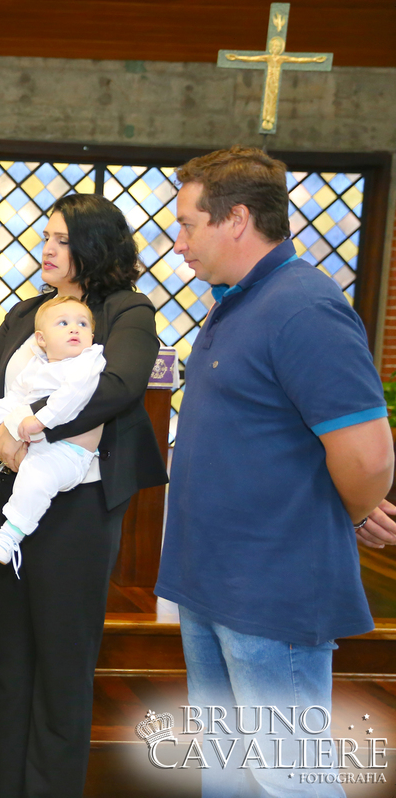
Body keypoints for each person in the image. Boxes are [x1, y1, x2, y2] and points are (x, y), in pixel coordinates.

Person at [155, 146, 394, 797]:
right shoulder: (237, 299)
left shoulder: (303, 307)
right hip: (211, 579)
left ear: (235, 219)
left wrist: (337, 511)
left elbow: (369, 455)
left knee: (292, 779)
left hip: (268, 588)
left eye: (187, 224)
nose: (178, 243)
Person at [0, 192, 168, 796]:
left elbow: (120, 386)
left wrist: (35, 429)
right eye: (44, 237)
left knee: (61, 663)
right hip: (7, 497)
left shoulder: (126, 310)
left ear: (95, 244)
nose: (45, 249)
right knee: (12, 659)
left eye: (60, 239)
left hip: (78, 502)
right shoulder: (26, 313)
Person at [0, 296, 105, 568]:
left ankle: (10, 535)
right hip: (33, 438)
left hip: (66, 453)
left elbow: (72, 398)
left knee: (34, 477)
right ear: (41, 339)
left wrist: (41, 420)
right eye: (64, 323)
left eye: (82, 324)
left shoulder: (87, 362)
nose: (75, 329)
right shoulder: (38, 364)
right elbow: (15, 397)